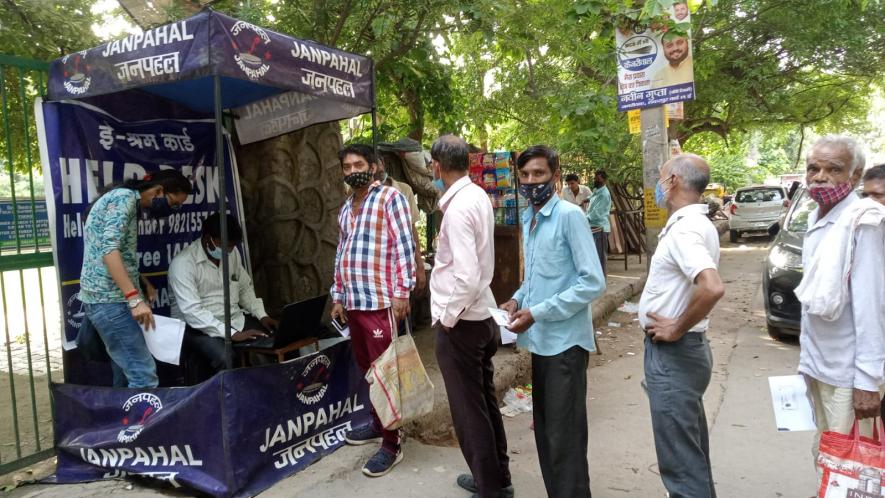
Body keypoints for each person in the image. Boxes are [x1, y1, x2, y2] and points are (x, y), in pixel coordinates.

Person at [500, 145, 605, 498]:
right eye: (525, 175)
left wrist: (537, 312)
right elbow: (538, 278)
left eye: (539, 174)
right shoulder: (532, 218)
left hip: (566, 345)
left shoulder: (570, 216)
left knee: (565, 439)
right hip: (541, 343)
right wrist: (517, 299)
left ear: (555, 176)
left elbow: (592, 282)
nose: (531, 182)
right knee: (546, 432)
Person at [792, 136, 885, 477]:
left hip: (849, 373)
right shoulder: (818, 218)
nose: (820, 177)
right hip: (820, 366)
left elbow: (871, 306)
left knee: (851, 468)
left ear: (855, 174)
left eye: (833, 169)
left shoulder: (866, 221)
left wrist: (867, 382)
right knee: (830, 457)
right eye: (813, 168)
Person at [429, 135, 512, 498]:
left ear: (436, 166)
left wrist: (447, 319)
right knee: (483, 400)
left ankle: (489, 486)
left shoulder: (460, 206)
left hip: (462, 321)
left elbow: (465, 275)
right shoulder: (475, 195)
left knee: (468, 410)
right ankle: (498, 477)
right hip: (479, 316)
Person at [638, 153, 725, 498]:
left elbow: (712, 286)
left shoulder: (685, 228)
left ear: (672, 181)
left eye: (660, 178)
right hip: (685, 353)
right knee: (690, 452)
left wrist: (675, 327)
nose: (657, 185)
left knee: (680, 464)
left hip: (675, 354)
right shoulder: (693, 223)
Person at [330, 143, 416, 477]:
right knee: (369, 370)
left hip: (382, 302)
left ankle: (392, 445)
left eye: (359, 164)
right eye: (347, 167)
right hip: (354, 303)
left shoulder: (388, 199)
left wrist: (401, 293)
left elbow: (404, 246)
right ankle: (379, 423)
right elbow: (341, 254)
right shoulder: (346, 208)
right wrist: (337, 296)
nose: (353, 171)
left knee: (385, 373)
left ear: (375, 166)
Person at [79, 170, 192, 388]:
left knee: (124, 373)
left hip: (108, 299)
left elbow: (117, 253)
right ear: (159, 190)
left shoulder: (122, 199)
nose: (172, 209)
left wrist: (144, 283)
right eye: (173, 203)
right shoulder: (124, 199)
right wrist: (134, 299)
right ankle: (143, 422)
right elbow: (109, 251)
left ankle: (122, 420)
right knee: (143, 375)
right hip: (111, 300)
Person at [168, 213, 279, 377]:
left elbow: (243, 289)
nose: (228, 250)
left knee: (273, 340)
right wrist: (232, 334)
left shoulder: (232, 254)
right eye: (224, 245)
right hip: (197, 327)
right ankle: (225, 399)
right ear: (208, 239)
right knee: (225, 358)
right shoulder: (183, 264)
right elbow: (192, 312)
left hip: (234, 318)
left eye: (232, 246)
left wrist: (261, 315)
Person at [374, 157, 427, 295]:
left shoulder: (404, 190)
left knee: (402, 309)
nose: (376, 168)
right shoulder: (358, 195)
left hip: (401, 269)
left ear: (383, 164)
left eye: (378, 163)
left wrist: (420, 266)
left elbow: (412, 230)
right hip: (376, 271)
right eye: (371, 165)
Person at [586, 170, 612, 275]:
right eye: (595, 178)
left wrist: (584, 218)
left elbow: (597, 212)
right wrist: (586, 199)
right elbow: (592, 198)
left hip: (600, 228)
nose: (595, 180)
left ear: (604, 180)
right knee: (593, 256)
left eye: (598, 178)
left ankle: (601, 280)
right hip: (593, 227)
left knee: (600, 257)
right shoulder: (597, 191)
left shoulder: (604, 194)